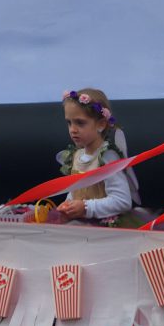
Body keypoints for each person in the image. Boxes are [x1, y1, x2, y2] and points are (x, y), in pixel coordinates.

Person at [55, 88, 143, 226]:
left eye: (80, 123)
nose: (73, 129)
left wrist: (86, 207)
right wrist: (68, 205)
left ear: (101, 124)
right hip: (85, 223)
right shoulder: (75, 156)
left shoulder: (107, 156)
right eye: (69, 123)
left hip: (106, 226)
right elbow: (77, 192)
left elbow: (122, 201)